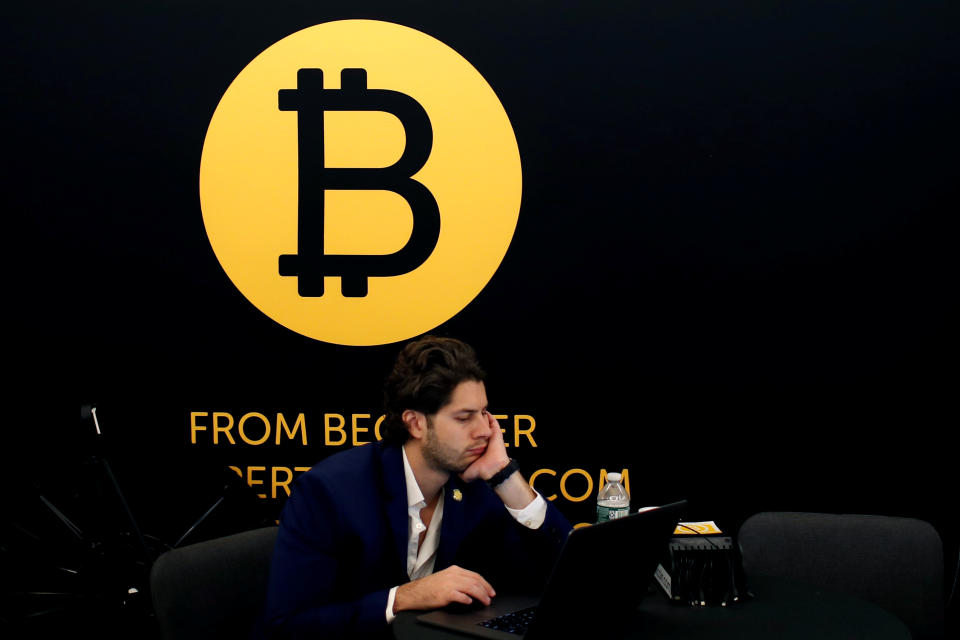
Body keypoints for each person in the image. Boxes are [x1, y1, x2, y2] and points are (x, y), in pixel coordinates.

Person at [260, 336, 572, 639]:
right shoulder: (329, 492)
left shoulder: (476, 486)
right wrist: (400, 598)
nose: (484, 431)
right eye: (464, 418)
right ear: (416, 423)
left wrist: (504, 475)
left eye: (484, 413)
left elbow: (562, 578)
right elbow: (287, 627)